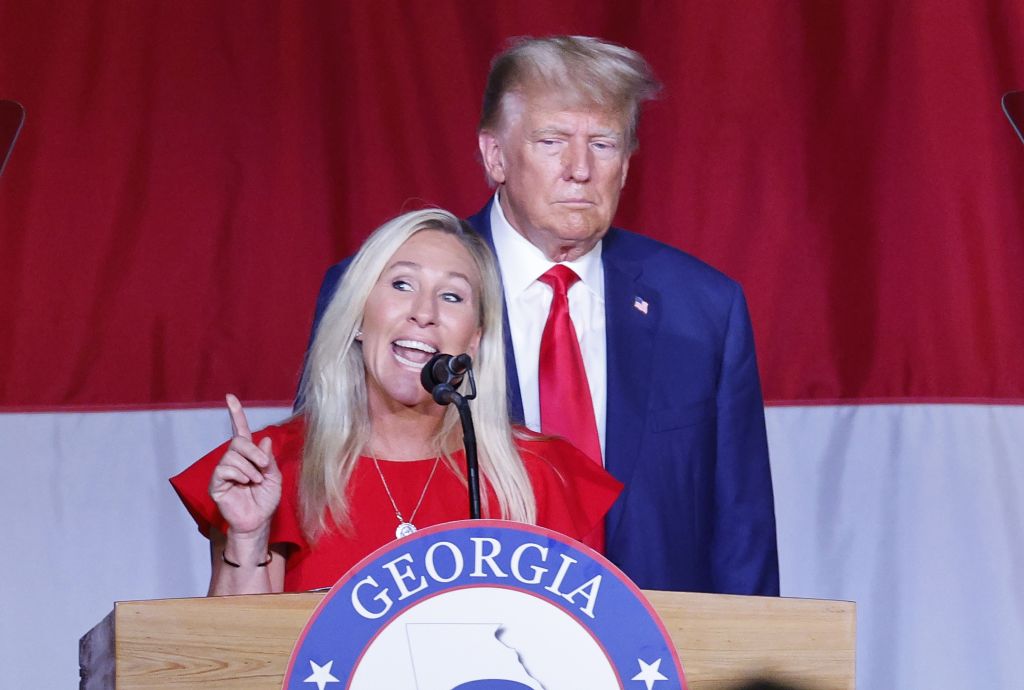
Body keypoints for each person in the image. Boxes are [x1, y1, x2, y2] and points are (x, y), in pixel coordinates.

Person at [307, 37, 779, 595]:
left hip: (656, 659)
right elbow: (325, 493)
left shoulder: (702, 307)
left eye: (602, 144)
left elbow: (742, 532)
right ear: (495, 156)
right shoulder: (386, 294)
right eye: (552, 141)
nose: (579, 169)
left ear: (625, 165)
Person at [172, 209, 620, 594]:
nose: (424, 312)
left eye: (452, 296)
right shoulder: (275, 468)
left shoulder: (538, 475)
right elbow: (239, 661)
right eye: (402, 284)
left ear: (476, 339)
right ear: (359, 316)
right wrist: (247, 537)